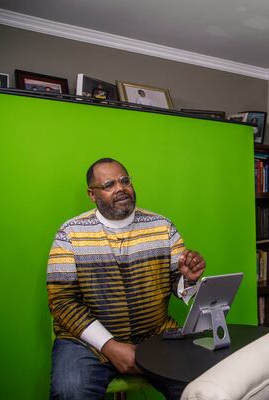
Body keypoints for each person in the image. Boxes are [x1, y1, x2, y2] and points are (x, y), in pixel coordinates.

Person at [47, 158, 206, 400]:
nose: (120, 188)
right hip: (86, 344)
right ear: (92, 194)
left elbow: (179, 286)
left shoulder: (162, 227)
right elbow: (62, 302)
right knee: (70, 392)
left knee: (205, 385)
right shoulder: (70, 234)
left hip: (155, 335)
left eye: (124, 181)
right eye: (109, 184)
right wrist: (109, 346)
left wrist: (188, 279)